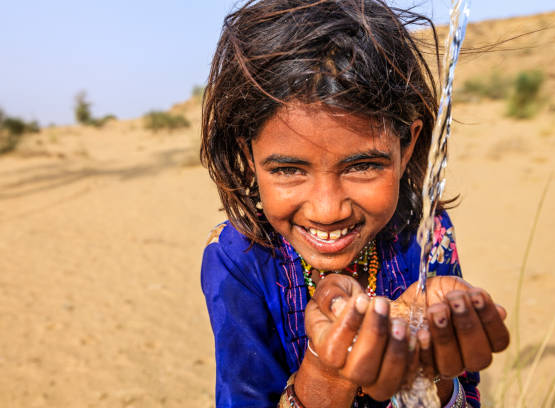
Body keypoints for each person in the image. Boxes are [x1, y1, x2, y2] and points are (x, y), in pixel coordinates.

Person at [199, 1, 510, 407]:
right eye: (289, 171)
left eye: (362, 166)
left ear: (408, 144)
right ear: (250, 155)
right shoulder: (239, 258)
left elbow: (462, 394)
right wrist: (327, 373)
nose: (328, 210)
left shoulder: (425, 232)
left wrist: (429, 372)